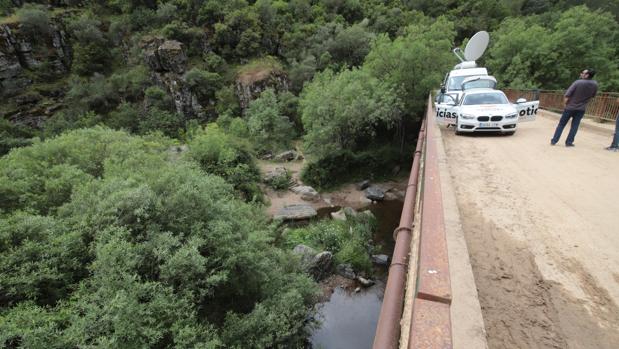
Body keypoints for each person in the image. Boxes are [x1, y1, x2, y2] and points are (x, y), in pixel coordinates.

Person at [550, 69, 598, 146]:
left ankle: (554, 140)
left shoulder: (578, 82)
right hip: (581, 109)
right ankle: (569, 142)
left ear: (587, 75)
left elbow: (567, 95)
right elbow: (593, 96)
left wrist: (565, 105)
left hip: (570, 107)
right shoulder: (595, 84)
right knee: (575, 126)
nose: (581, 74)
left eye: (583, 73)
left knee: (561, 124)